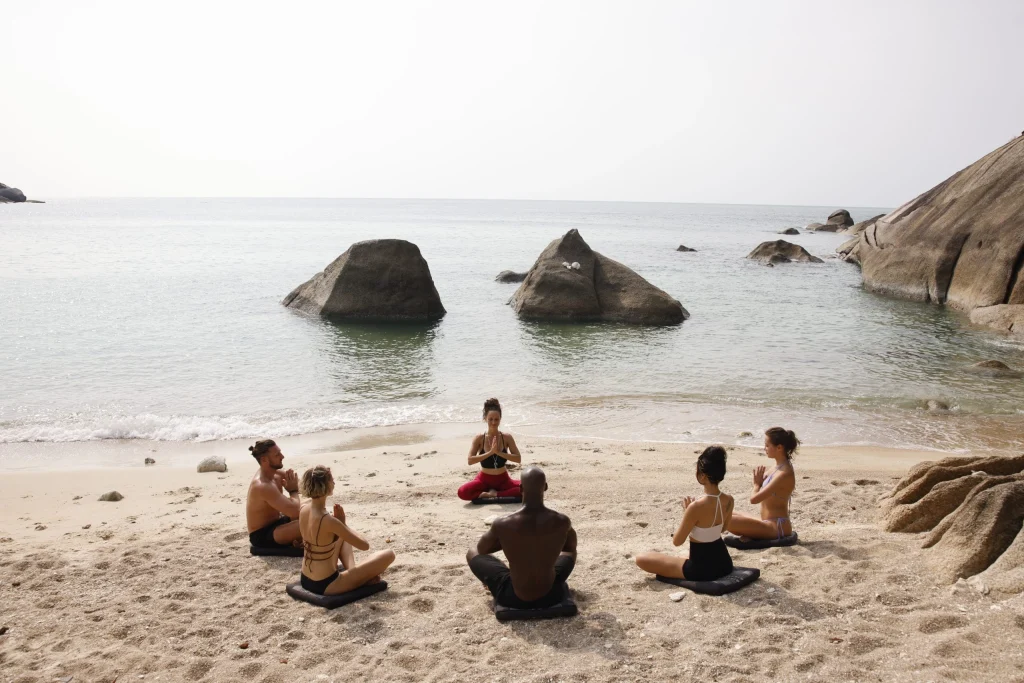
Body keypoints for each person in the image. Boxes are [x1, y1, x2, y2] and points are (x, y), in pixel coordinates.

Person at [466, 466, 576, 608]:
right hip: (552, 596)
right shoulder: (562, 521)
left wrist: (507, 542)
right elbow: (570, 548)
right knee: (570, 552)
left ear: (520, 488)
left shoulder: (503, 523)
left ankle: (491, 585)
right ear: (545, 487)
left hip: (512, 598)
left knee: (472, 552)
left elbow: (482, 550)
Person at [635, 446, 735, 581]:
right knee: (680, 557)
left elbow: (677, 541)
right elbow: (722, 529)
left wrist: (687, 513)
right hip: (725, 564)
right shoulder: (729, 500)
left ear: (702, 476)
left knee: (641, 558)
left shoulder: (696, 507)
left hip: (702, 571)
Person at [298, 465, 396, 595]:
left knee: (342, 538)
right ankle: (356, 577)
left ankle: (353, 572)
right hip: (327, 584)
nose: (334, 483)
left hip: (305, 578)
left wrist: (340, 526)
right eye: (331, 480)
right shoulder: (328, 520)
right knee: (389, 555)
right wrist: (343, 524)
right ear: (325, 486)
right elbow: (364, 545)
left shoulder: (303, 508)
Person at [726, 427, 799, 541]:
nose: (764, 448)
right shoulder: (777, 466)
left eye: (767, 445)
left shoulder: (784, 474)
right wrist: (759, 482)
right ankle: (753, 534)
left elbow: (754, 499)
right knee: (724, 512)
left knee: (723, 519)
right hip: (766, 521)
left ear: (779, 447)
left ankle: (754, 535)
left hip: (777, 527)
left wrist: (756, 485)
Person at [458, 397, 523, 501]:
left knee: (528, 488)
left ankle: (495, 494)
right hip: (484, 480)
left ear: (500, 419)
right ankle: (491, 493)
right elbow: (470, 460)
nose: (493, 422)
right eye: (490, 419)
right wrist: (490, 453)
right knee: (462, 492)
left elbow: (518, 459)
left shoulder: (506, 437)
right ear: (485, 418)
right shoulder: (479, 438)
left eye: (496, 419)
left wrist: (498, 452)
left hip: (504, 480)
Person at [246, 439, 303, 549]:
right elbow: (294, 511)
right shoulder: (262, 485)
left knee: (310, 507)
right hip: (262, 536)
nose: (282, 456)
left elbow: (302, 486)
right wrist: (293, 491)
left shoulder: (276, 474)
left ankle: (302, 539)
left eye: (280, 452)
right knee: (310, 522)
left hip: (278, 522)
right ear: (264, 460)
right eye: (277, 455)